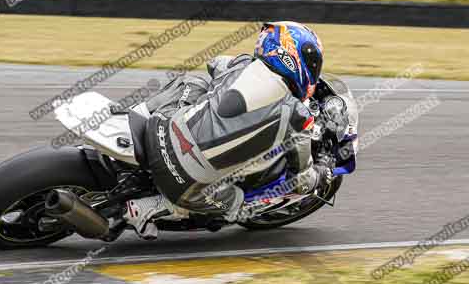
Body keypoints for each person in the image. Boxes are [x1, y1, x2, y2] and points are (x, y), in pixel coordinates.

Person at [125, 21, 335, 239]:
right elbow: (301, 182)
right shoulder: (296, 115)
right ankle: (147, 208)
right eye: (311, 64)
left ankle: (131, 114)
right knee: (240, 205)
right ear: (293, 58)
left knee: (194, 83)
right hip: (182, 181)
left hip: (159, 128)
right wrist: (323, 172)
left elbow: (214, 63)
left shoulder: (242, 63)